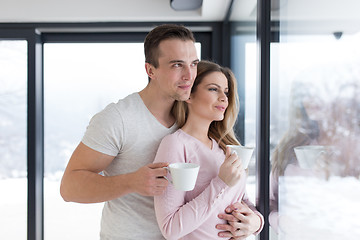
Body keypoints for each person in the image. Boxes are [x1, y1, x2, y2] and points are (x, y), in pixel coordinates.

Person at [60, 24, 262, 239]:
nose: (189, 75)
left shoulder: (196, 121)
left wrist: (254, 222)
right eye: (177, 65)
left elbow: (232, 195)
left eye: (193, 64)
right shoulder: (118, 119)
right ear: (150, 70)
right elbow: (69, 188)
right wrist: (131, 182)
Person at [153, 60, 264, 239]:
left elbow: (241, 200)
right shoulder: (176, 145)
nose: (224, 98)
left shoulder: (225, 147)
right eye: (214, 89)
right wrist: (221, 182)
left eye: (226, 92)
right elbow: (170, 228)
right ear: (188, 95)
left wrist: (256, 222)